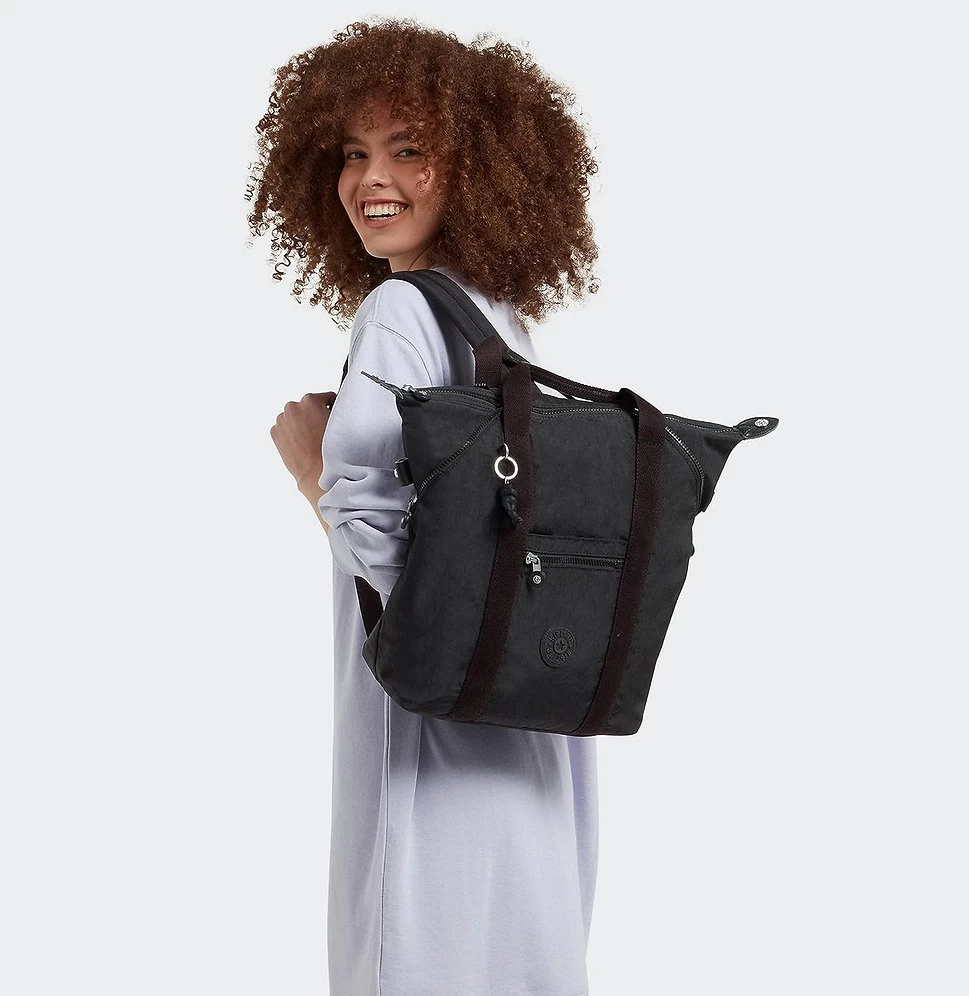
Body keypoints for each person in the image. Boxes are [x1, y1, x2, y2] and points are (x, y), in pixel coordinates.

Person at [249, 18, 601, 996]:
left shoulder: (401, 312)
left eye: (410, 149)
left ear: (479, 166)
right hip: (523, 722)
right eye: (352, 153)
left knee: (415, 952)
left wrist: (312, 467)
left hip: (434, 730)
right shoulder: (497, 320)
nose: (372, 179)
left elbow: (391, 544)